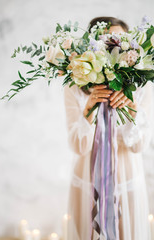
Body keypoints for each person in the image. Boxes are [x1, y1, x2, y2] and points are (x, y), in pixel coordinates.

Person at [63, 16, 153, 240]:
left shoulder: (142, 87)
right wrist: (89, 109)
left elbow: (139, 145)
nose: (112, 47)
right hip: (87, 177)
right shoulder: (74, 86)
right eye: (105, 42)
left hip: (127, 177)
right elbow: (77, 145)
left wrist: (132, 110)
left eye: (119, 41)